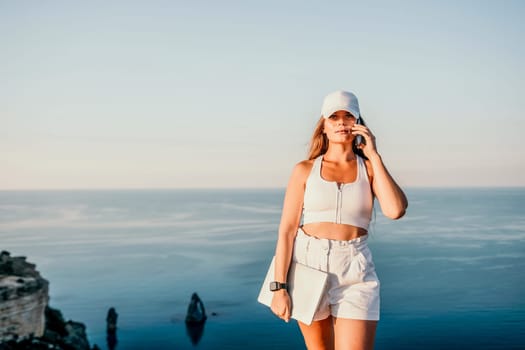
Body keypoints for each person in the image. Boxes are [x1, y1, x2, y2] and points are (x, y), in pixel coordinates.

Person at [270, 90, 408, 350]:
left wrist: (375, 156)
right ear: (323, 124)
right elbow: (287, 231)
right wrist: (279, 288)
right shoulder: (304, 170)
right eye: (334, 117)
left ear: (358, 124)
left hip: (355, 269)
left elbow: (395, 210)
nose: (341, 122)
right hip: (308, 265)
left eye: (348, 117)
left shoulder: (368, 168)